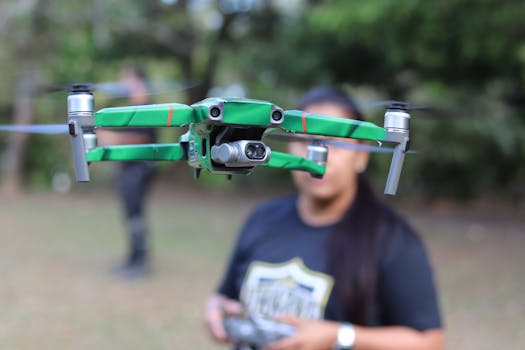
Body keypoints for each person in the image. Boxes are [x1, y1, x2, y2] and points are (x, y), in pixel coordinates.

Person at [204, 86, 443, 349]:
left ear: (361, 154)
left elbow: (429, 341)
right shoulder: (262, 219)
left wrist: (340, 336)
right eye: (305, 141)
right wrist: (218, 309)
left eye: (334, 142)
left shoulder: (392, 238)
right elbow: (225, 296)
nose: (319, 155)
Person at [97, 65, 157, 279]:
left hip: (139, 170)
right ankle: (133, 259)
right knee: (131, 215)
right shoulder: (132, 108)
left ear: (138, 81)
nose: (123, 85)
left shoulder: (147, 109)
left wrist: (112, 138)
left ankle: (140, 263)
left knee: (135, 216)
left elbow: (142, 139)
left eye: (127, 79)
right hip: (129, 169)